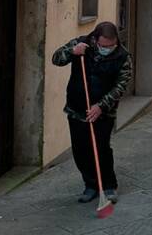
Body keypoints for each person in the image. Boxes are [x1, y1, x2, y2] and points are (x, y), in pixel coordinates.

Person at [52, 22, 132, 204]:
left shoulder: (123, 56)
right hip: (77, 108)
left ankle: (109, 185)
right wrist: (72, 52)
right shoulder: (81, 44)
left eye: (111, 46)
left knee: (101, 148)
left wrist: (101, 106)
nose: (108, 49)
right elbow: (56, 59)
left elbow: (121, 85)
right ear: (96, 40)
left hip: (104, 112)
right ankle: (91, 185)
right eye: (104, 46)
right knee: (81, 149)